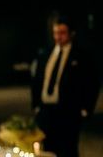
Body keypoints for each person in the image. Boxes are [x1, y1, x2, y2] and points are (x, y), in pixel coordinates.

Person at [31, 15, 100, 157]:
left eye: (62, 33)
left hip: (68, 112)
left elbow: (92, 82)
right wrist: (36, 105)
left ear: (71, 33)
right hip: (46, 111)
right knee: (47, 149)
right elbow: (37, 80)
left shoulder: (81, 56)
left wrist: (86, 109)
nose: (58, 37)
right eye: (56, 33)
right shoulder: (46, 53)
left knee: (67, 149)